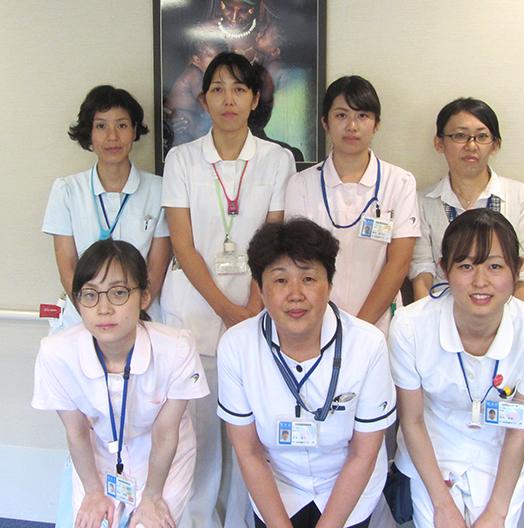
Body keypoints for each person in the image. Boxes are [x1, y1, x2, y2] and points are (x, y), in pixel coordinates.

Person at [161, 51, 295, 528]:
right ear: (204, 100)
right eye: (217, 89)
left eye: (239, 89)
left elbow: (274, 242)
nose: (228, 99)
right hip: (194, 315)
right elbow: (182, 245)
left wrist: (251, 310)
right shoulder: (181, 159)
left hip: (256, 313)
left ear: (255, 99)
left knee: (249, 440)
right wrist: (227, 310)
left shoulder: (278, 160)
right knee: (197, 441)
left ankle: (240, 521)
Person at [389, 209, 524, 528]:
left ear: (517, 269)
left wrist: (497, 512)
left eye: (495, 266)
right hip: (433, 447)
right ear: (444, 268)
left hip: (500, 452)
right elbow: (413, 421)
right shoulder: (410, 326)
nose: (480, 281)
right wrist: (442, 504)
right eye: (466, 266)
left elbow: (519, 430)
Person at [217, 218, 397, 528]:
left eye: (309, 278)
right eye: (280, 280)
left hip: (347, 488)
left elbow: (363, 454)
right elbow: (248, 452)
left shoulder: (368, 345)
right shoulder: (237, 346)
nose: (296, 294)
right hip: (277, 489)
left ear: (329, 285)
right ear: (260, 289)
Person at [32, 239, 209, 528]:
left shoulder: (177, 348)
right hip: (101, 446)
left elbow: (165, 433)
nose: (103, 309)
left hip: (163, 450)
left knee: (150, 524)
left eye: (118, 293)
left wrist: (152, 496)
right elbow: (76, 432)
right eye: (90, 295)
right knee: (92, 521)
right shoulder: (56, 354)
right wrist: (93, 492)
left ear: (144, 297)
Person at [284, 75, 420, 335]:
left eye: (363, 116)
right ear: (325, 122)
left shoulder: (399, 182)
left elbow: (399, 264)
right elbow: (299, 263)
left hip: (378, 327)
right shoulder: (301, 184)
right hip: (316, 325)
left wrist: (359, 331)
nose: (352, 126)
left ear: (377, 124)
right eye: (341, 115)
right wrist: (330, 328)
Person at [42, 85, 171, 332]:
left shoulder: (159, 190)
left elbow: (156, 266)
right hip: (81, 320)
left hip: (141, 319)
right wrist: (93, 316)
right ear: (89, 133)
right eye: (101, 126)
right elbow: (67, 265)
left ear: (134, 130)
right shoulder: (67, 190)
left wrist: (133, 315)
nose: (112, 136)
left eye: (121, 125)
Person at [409, 97, 524, 305]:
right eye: (460, 135)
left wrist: (511, 320)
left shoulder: (521, 197)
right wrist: (430, 319)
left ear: (495, 145)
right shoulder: (422, 201)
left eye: (482, 136)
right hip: (442, 312)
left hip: (504, 313)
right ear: (439, 143)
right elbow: (421, 268)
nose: (471, 145)